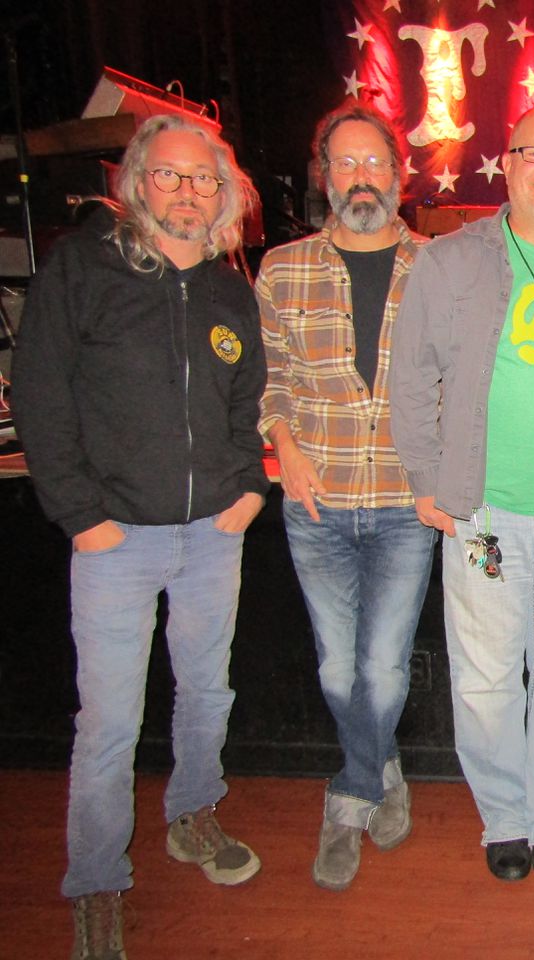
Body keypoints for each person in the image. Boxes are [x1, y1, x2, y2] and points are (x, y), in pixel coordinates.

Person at [12, 114, 267, 960]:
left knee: (207, 694)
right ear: (136, 183)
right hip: (115, 541)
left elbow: (247, 399)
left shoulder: (229, 289)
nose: (188, 191)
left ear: (223, 193)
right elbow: (39, 392)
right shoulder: (83, 269)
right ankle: (96, 882)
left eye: (204, 179)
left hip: (213, 535)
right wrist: (80, 516)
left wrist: (249, 486)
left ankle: (192, 816)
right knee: (109, 723)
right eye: (170, 174)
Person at [389, 104, 534, 883]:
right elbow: (411, 375)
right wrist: (426, 477)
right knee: (487, 675)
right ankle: (505, 814)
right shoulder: (450, 262)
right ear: (509, 163)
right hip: (484, 515)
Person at [256, 102, 436, 891]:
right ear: (323, 176)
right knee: (338, 670)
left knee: (383, 670)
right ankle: (383, 771)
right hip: (317, 499)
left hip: (403, 502)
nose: (361, 178)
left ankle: (348, 800)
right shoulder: (281, 269)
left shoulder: (437, 268)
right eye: (345, 164)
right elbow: (271, 380)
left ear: (399, 174)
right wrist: (284, 445)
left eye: (374, 163)